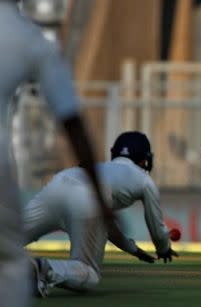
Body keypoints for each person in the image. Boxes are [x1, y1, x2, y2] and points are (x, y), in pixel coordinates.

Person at [0, 1, 119, 306]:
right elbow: (74, 126)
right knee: (10, 265)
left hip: (51, 193)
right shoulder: (30, 40)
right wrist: (101, 200)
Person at [24, 131, 178, 297]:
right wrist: (163, 248)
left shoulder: (101, 168)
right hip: (87, 197)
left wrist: (133, 249)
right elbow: (157, 228)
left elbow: (107, 228)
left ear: (114, 154)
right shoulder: (144, 181)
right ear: (144, 159)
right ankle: (43, 267)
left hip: (60, 182)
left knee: (9, 237)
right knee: (89, 273)